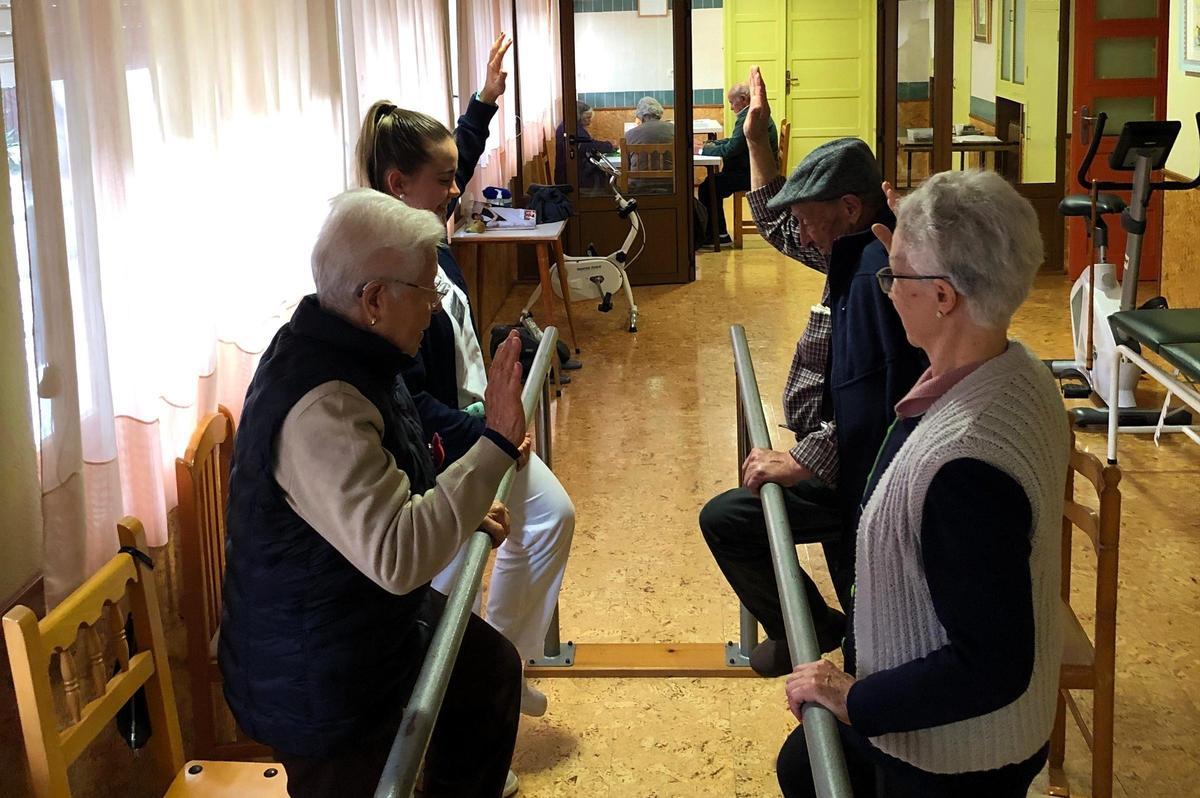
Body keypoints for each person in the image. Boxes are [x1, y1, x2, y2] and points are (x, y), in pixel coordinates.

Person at [219, 188, 527, 798]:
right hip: (315, 673)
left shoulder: (356, 354)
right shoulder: (323, 405)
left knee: (487, 674)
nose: (437, 308)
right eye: (426, 290)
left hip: (361, 618)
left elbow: (390, 485)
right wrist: (495, 442)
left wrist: (460, 513)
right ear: (375, 300)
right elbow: (396, 555)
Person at [777, 168, 1069, 798]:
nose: (885, 291)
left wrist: (855, 698)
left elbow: (990, 666)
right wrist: (918, 243)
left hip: (955, 756)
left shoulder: (965, 465)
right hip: (947, 727)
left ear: (942, 297)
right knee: (803, 766)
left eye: (896, 275)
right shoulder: (1016, 370)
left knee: (808, 768)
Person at [356, 33, 574, 730]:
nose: (457, 191)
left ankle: (500, 672)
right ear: (399, 186)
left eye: (455, 180)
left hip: (480, 428)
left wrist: (484, 100)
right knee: (450, 587)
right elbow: (410, 401)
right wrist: (490, 437)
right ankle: (459, 724)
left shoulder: (427, 235)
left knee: (549, 518)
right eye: (444, 183)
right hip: (440, 455)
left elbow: (462, 153)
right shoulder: (386, 271)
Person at [699, 66, 927, 679]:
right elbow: (777, 222)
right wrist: (756, 138)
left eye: (808, 217)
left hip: (862, 473)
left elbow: (887, 400)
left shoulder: (881, 274)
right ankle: (826, 633)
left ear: (849, 207)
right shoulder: (851, 248)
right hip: (841, 458)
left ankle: (852, 686)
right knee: (843, 584)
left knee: (865, 614)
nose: (795, 231)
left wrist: (808, 460)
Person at [697, 81, 778, 245]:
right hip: (754, 168)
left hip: (753, 174)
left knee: (709, 186)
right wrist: (709, 146)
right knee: (712, 183)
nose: (731, 108)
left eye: (732, 103)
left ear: (743, 99)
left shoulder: (748, 117)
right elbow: (735, 142)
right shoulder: (754, 113)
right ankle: (717, 233)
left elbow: (731, 149)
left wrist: (700, 151)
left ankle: (718, 236)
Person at [554, 101, 615, 191]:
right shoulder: (571, 129)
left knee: (603, 170)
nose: (589, 121)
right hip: (571, 176)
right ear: (578, 116)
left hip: (568, 172)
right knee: (605, 172)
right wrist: (609, 145)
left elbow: (588, 143)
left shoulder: (568, 125)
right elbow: (589, 146)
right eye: (587, 118)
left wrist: (606, 144)